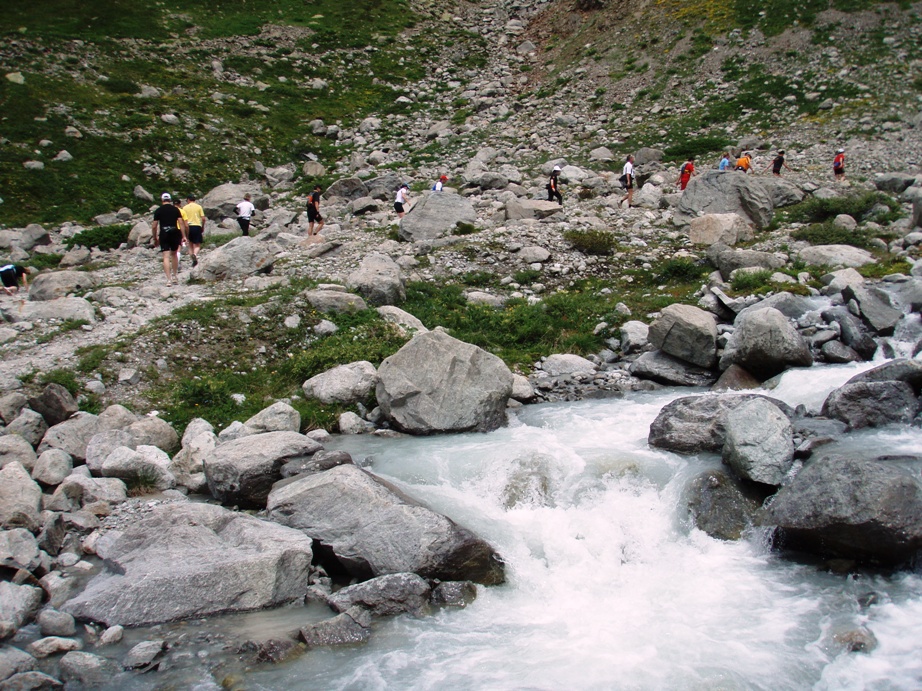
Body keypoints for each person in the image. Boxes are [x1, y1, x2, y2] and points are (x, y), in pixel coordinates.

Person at [152, 192, 186, 286]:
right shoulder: (176, 209)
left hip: (164, 233)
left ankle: (168, 280)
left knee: (166, 256)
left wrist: (155, 238)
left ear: (162, 200)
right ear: (170, 200)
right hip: (175, 232)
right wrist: (184, 236)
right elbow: (181, 222)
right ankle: (175, 276)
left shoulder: (158, 210)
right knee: (174, 254)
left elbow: (154, 226)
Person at [182, 194, 206, 267]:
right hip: (197, 226)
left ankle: (193, 261)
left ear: (188, 200)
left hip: (188, 227)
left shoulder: (184, 208)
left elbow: (183, 219)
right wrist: (202, 226)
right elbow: (203, 218)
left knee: (190, 244)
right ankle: (195, 254)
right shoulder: (199, 207)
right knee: (197, 244)